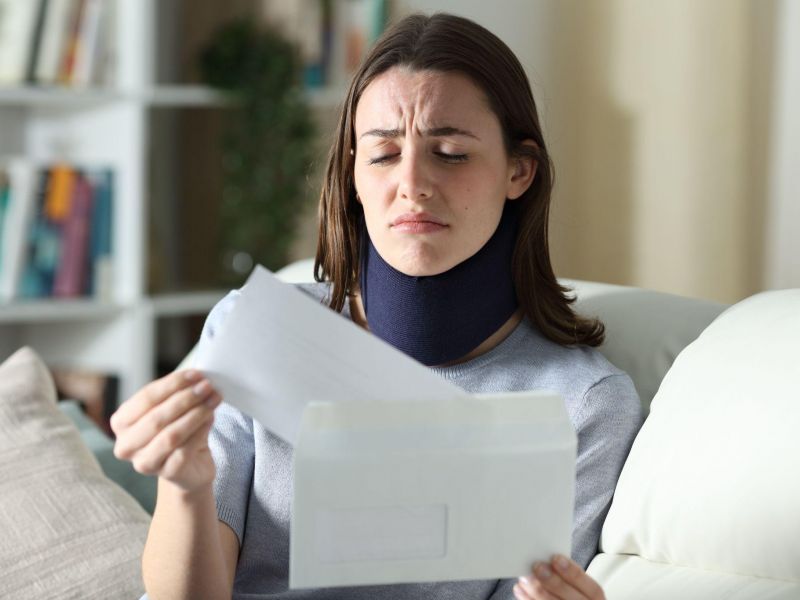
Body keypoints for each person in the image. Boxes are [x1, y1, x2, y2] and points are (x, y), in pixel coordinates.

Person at [111, 12, 642, 600]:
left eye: (450, 152)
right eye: (384, 154)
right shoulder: (258, 330)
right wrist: (184, 486)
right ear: (354, 176)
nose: (412, 183)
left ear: (519, 171)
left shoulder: (584, 405)